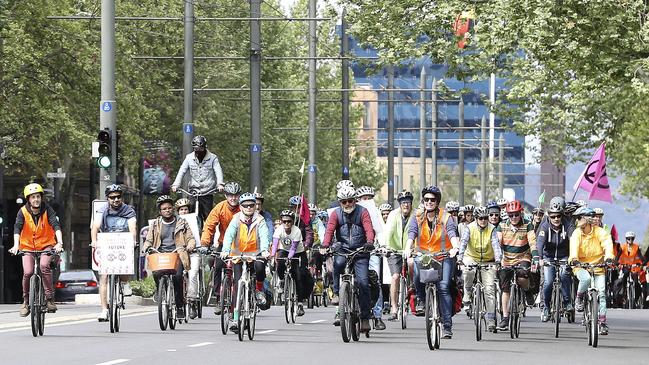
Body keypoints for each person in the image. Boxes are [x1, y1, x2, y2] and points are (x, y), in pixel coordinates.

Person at [404, 185, 459, 339]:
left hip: (443, 256)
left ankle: (447, 326)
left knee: (443, 287)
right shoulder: (417, 216)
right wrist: (408, 248)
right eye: (426, 199)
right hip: (423, 255)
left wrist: (455, 247)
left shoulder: (446, 217)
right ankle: (421, 299)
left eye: (432, 199)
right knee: (416, 274)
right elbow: (412, 233)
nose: (429, 202)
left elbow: (452, 233)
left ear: (437, 201)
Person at [321, 185, 375, 333]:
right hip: (343, 249)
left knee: (363, 282)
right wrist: (325, 245)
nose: (347, 204)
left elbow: (369, 229)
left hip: (360, 250)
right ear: (340, 202)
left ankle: (364, 318)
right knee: (338, 263)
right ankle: (338, 293)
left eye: (350, 201)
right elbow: (329, 231)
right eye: (344, 202)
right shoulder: (336, 215)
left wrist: (369, 242)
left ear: (355, 201)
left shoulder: (363, 212)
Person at [9, 183, 64, 316]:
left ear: (41, 197)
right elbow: (17, 228)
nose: (36, 200)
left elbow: (56, 226)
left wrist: (59, 243)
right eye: (33, 197)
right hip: (27, 246)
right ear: (29, 199)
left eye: (38, 197)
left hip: (46, 245)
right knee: (27, 272)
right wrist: (16, 245)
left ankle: (49, 299)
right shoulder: (22, 211)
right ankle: (26, 302)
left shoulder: (48, 210)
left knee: (44, 266)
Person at [219, 192, 271, 333]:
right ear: (241, 207)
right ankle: (235, 318)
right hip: (238, 254)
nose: (248, 208)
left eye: (251, 205)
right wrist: (225, 250)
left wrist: (265, 250)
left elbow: (264, 236)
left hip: (255, 254)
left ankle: (259, 290)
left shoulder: (260, 220)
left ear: (255, 206)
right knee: (237, 284)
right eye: (245, 205)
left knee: (260, 268)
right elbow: (229, 235)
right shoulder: (236, 219)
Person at [143, 195, 195, 319]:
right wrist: (146, 247)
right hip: (160, 254)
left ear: (173, 209)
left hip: (178, 254)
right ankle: (159, 290)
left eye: (169, 208)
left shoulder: (181, 222)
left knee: (177, 278)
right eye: (164, 209)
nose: (167, 210)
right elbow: (149, 239)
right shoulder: (155, 224)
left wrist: (190, 245)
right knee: (156, 273)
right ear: (160, 211)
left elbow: (190, 237)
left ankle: (179, 306)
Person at [90, 184, 137, 321]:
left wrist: (133, 240)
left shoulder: (129, 211)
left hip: (123, 243)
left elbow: (133, 228)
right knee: (103, 277)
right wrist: (94, 241)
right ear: (107, 199)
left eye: (118, 197)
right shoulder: (101, 210)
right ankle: (104, 309)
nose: (116, 200)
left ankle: (124, 283)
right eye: (112, 197)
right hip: (107, 244)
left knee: (125, 271)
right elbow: (95, 227)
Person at [569, 207, 614, 335]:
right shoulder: (577, 233)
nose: (576, 221)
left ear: (586, 219)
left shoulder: (600, 232)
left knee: (602, 293)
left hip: (599, 266)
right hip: (581, 266)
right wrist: (574, 259)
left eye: (579, 218)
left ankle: (602, 322)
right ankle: (579, 297)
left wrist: (609, 257)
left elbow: (607, 244)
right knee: (586, 279)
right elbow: (573, 248)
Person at [496, 200, 539, 331]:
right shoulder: (501, 226)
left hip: (523, 257)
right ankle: (505, 317)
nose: (513, 218)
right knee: (505, 289)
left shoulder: (528, 225)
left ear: (520, 213)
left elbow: (532, 242)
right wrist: (496, 259)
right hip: (507, 260)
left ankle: (527, 292)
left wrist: (536, 258)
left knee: (522, 276)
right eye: (510, 215)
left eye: (516, 215)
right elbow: (497, 243)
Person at [458, 206, 502, 331]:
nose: (483, 221)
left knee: (489, 289)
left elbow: (496, 245)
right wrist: (460, 258)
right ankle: (467, 292)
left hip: (488, 260)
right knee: (468, 270)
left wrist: (498, 259)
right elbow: (463, 243)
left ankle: (491, 319)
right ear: (476, 218)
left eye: (485, 218)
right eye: (480, 218)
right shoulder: (469, 228)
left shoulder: (492, 229)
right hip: (471, 257)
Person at [200, 181, 241, 315]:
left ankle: (246, 293)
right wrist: (205, 244)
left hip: (242, 246)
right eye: (230, 195)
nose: (233, 198)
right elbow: (209, 226)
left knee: (241, 273)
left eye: (236, 195)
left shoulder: (244, 207)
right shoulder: (219, 208)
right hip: (224, 244)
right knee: (217, 267)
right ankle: (219, 297)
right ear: (225, 196)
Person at [536, 199, 575, 322]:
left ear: (562, 215)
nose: (556, 219)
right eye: (553, 216)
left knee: (564, 276)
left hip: (564, 256)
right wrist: (540, 258)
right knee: (548, 282)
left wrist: (573, 258)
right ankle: (546, 307)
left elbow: (573, 241)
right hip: (548, 257)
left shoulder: (568, 224)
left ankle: (568, 302)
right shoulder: (545, 226)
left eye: (559, 216)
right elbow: (539, 244)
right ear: (549, 216)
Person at [171, 135, 225, 222]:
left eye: (200, 149)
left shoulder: (213, 158)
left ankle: (208, 234)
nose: (198, 151)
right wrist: (176, 184)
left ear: (205, 148)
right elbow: (182, 170)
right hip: (193, 192)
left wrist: (220, 184)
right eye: (196, 149)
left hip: (207, 192)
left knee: (209, 218)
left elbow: (218, 171)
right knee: (190, 216)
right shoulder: (189, 158)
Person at [355, 185, 386, 330]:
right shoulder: (354, 212)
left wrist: (382, 246)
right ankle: (344, 308)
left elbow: (381, 232)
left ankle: (378, 315)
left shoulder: (376, 213)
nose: (366, 201)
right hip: (354, 252)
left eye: (369, 198)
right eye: (363, 198)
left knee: (375, 280)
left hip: (372, 252)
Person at [380, 190, 414, 321]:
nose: (406, 205)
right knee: (395, 277)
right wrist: (386, 247)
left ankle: (412, 287)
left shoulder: (416, 214)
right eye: (403, 203)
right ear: (399, 204)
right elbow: (389, 232)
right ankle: (394, 308)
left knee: (411, 264)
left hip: (410, 249)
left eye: (408, 203)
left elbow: (418, 232)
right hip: (394, 250)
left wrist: (414, 248)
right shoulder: (393, 215)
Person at [271, 210, 308, 316]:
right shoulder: (278, 230)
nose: (286, 224)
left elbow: (293, 248)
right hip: (284, 250)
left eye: (289, 221)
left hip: (297, 252)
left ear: (292, 222)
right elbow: (275, 244)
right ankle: (282, 280)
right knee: (280, 262)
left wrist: (290, 258)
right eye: (284, 221)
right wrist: (272, 255)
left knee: (298, 275)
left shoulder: (297, 231)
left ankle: (300, 303)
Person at [613, 231, 644, 307]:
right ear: (626, 239)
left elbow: (640, 256)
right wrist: (616, 262)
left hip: (633, 267)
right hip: (625, 266)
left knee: (636, 281)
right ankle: (623, 291)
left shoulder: (636, 247)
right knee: (625, 275)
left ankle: (636, 297)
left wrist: (643, 263)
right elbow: (618, 256)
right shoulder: (622, 247)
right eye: (628, 239)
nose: (630, 240)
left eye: (632, 239)